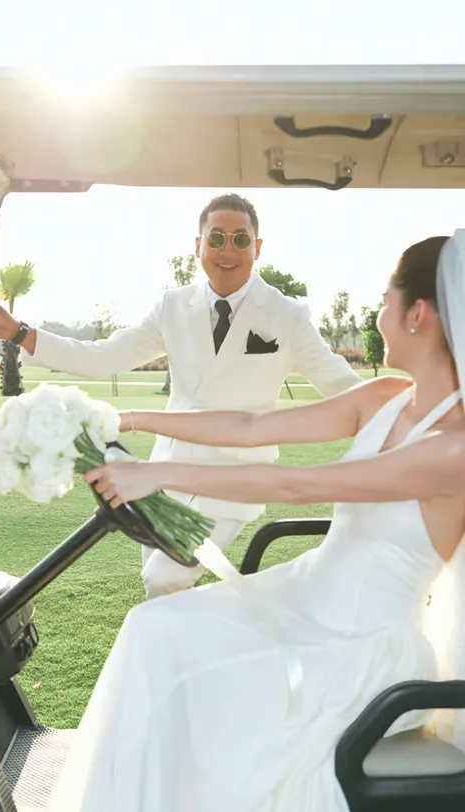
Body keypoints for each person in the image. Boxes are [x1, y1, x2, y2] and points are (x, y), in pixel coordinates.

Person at [47, 234, 465, 812]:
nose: (377, 316)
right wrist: (128, 419)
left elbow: (297, 485)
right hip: (304, 598)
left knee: (208, 693)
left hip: (357, 646)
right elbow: (251, 426)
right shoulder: (388, 397)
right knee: (153, 629)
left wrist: (155, 475)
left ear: (417, 313)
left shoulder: (453, 447)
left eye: (383, 300)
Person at [0, 193, 359, 598]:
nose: (227, 250)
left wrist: (398, 414)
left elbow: (342, 385)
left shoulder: (288, 316)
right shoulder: (172, 307)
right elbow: (105, 356)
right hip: (164, 474)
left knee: (164, 577)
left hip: (235, 480)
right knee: (161, 592)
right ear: (198, 245)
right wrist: (19, 332)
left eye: (240, 240)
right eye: (216, 238)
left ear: (257, 248)